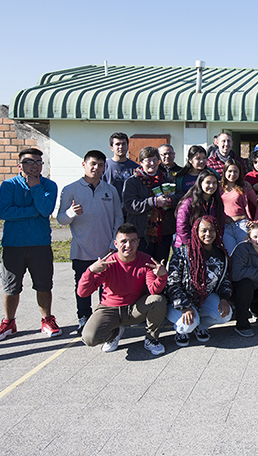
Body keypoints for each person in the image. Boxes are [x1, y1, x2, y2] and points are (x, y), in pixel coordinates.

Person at [0, 148, 60, 342]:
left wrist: (36, 187)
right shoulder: (8, 185)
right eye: (30, 162)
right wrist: (34, 210)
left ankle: (47, 319)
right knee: (11, 286)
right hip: (14, 244)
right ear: (19, 165)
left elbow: (46, 209)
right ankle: (9, 322)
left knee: (44, 284)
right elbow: (5, 213)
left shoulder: (49, 185)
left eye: (39, 162)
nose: (35, 165)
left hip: (40, 244)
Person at [56, 150, 122, 333]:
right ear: (84, 165)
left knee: (107, 286)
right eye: (93, 164)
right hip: (82, 248)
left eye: (101, 165)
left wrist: (114, 243)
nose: (96, 168)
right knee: (82, 286)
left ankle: (104, 318)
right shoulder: (70, 189)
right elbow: (60, 218)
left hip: (106, 249)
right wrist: (71, 213)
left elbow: (118, 217)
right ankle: (83, 317)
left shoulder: (110, 190)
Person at [78, 223, 168, 356]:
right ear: (115, 243)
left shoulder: (146, 260)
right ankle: (114, 333)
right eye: (123, 241)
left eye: (132, 241)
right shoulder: (107, 263)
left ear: (138, 242)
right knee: (89, 338)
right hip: (110, 309)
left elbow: (153, 291)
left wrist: (162, 276)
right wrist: (90, 271)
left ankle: (151, 339)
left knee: (158, 300)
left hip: (134, 308)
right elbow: (82, 292)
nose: (128, 245)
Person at [165, 216, 233, 345]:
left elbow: (225, 280)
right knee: (187, 325)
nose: (208, 234)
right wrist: (184, 306)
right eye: (204, 231)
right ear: (196, 232)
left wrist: (224, 298)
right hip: (180, 300)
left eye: (212, 230)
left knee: (225, 314)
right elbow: (172, 283)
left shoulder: (221, 254)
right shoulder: (182, 253)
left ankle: (200, 327)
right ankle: (181, 331)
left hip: (204, 297)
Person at [123, 147, 176, 262]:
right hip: (141, 233)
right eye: (148, 160)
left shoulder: (167, 181)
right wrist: (154, 201)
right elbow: (130, 205)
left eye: (155, 160)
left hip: (163, 233)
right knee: (142, 267)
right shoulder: (132, 182)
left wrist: (170, 201)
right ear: (141, 162)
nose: (152, 163)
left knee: (160, 266)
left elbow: (179, 197)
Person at [174, 170, 225, 250]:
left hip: (208, 244)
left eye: (214, 183)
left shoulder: (217, 202)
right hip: (187, 245)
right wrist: (191, 245)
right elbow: (182, 227)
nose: (211, 186)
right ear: (200, 183)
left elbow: (220, 225)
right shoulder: (189, 202)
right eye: (208, 182)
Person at [220, 158, 258, 253]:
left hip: (242, 225)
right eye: (229, 171)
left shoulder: (245, 187)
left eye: (235, 172)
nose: (232, 174)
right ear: (224, 172)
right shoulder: (218, 188)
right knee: (230, 254)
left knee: (245, 253)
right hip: (226, 227)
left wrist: (255, 221)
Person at [101, 132, 139, 201]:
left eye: (123, 144)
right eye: (117, 144)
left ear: (127, 146)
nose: (121, 147)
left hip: (129, 208)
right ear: (112, 148)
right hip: (109, 207)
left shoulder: (136, 168)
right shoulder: (104, 166)